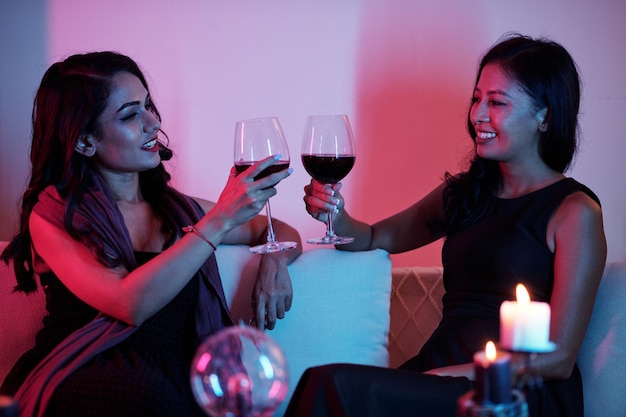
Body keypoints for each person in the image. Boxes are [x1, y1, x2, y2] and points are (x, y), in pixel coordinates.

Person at [288, 33, 606, 417]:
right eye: (476, 99)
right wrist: (334, 216)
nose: (478, 115)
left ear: (545, 116)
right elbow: (375, 236)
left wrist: (454, 374)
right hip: (441, 375)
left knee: (333, 385)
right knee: (321, 382)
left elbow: (557, 358)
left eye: (497, 102)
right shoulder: (466, 192)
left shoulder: (575, 211)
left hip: (510, 392)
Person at [0, 51, 302, 417]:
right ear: (83, 141)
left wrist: (273, 260)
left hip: (170, 373)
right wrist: (218, 221)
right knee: (148, 399)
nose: (152, 122)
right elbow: (129, 304)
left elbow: (280, 231)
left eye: (148, 105)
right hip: (82, 366)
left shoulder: (182, 212)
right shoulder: (53, 214)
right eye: (130, 114)